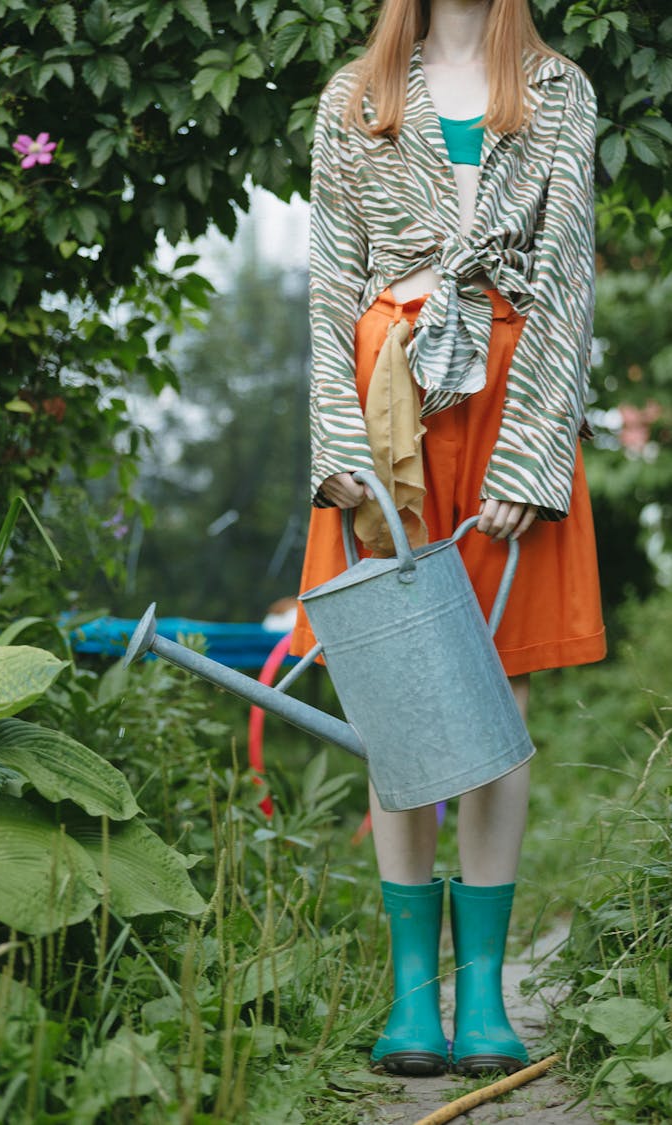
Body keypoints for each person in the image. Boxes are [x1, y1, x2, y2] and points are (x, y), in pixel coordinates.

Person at [290, 0, 606, 1078]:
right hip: (391, 405)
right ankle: (411, 1000)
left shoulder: (562, 93)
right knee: (400, 686)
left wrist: (532, 457)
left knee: (496, 687)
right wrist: (337, 441)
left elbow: (567, 286)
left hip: (512, 398)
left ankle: (484, 997)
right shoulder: (356, 95)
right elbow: (332, 284)